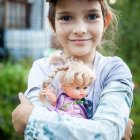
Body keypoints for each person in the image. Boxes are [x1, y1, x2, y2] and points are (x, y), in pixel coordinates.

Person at [12, 0, 134, 139]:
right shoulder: (42, 68)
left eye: (92, 16)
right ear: (52, 24)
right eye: (66, 18)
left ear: (105, 21)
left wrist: (31, 117)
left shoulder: (114, 70)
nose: (80, 29)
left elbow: (108, 132)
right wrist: (111, 129)